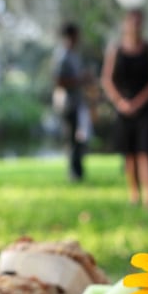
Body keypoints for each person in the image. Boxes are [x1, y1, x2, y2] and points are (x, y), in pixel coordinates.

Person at [100, 10, 148, 210]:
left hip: (147, 107)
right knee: (130, 154)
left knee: (146, 152)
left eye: (138, 22)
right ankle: (134, 193)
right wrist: (120, 102)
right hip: (124, 108)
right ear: (125, 24)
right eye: (131, 22)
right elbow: (107, 80)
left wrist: (139, 102)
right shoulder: (116, 50)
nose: (135, 26)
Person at [52, 22, 92, 182]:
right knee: (71, 137)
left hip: (77, 102)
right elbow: (58, 80)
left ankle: (78, 170)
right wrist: (80, 80)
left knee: (80, 136)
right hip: (67, 103)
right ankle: (74, 172)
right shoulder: (62, 56)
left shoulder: (74, 54)